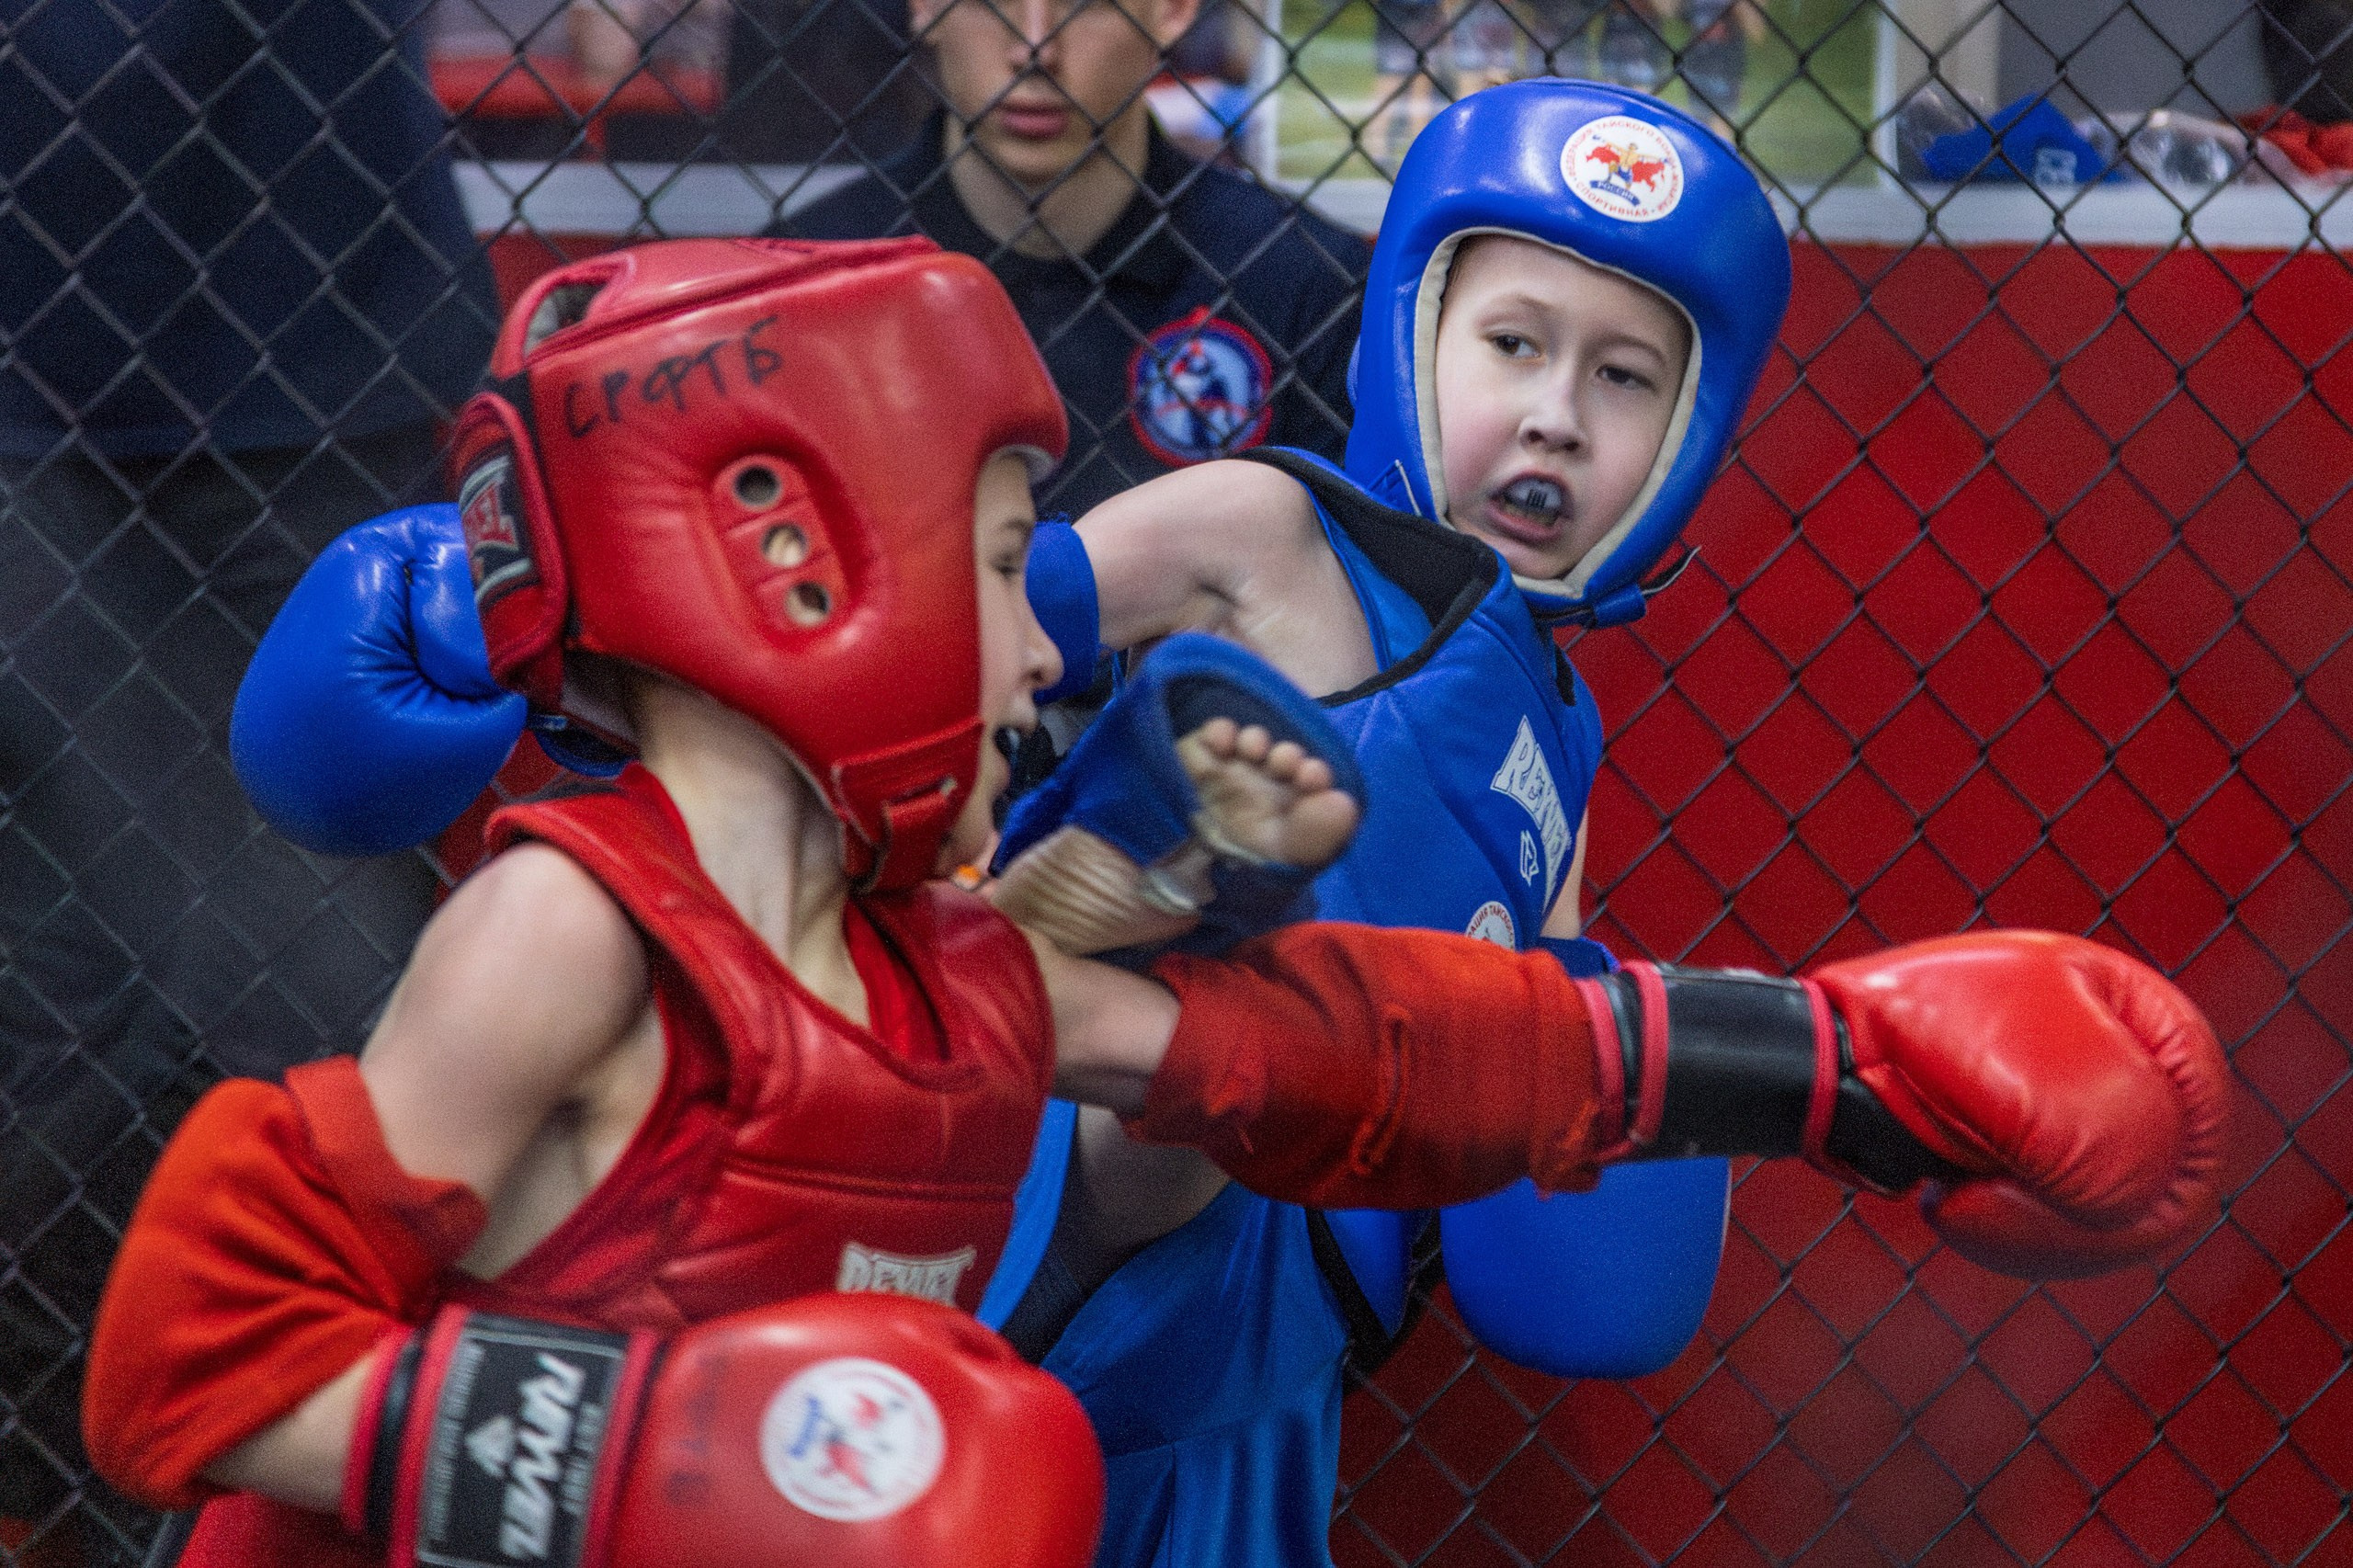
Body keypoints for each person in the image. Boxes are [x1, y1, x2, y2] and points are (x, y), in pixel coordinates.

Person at [138, 234, 2227, 1568]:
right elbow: (192, 1354)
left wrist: (1824, 1065)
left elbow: (1358, 1046)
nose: (1046, 648)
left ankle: (1157, 872)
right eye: (997, 566)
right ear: (799, 577)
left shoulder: (954, 969)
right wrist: (670, 1454)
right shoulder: (566, 936)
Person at [971, 78, 1776, 1568]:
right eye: (1515, 343)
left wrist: (1597, 1094)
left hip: (1293, 1347)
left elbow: (1536, 1050)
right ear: (1410, 336)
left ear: (1686, 438)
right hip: (1104, 1227)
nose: (1553, 413)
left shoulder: (1564, 735)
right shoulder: (1271, 535)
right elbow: (963, 624)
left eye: (1624, 380)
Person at [0, 2, 495, 1558]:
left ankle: (278, 1488)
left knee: (305, 1014)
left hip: (307, 339)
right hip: (32, 368)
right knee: (54, 1006)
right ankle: (63, 1483)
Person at [771, 0, 1370, 516]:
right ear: (926, 5)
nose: (1034, 49)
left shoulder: (1308, 285)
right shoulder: (796, 282)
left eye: (1085, 2)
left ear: (1173, 8)